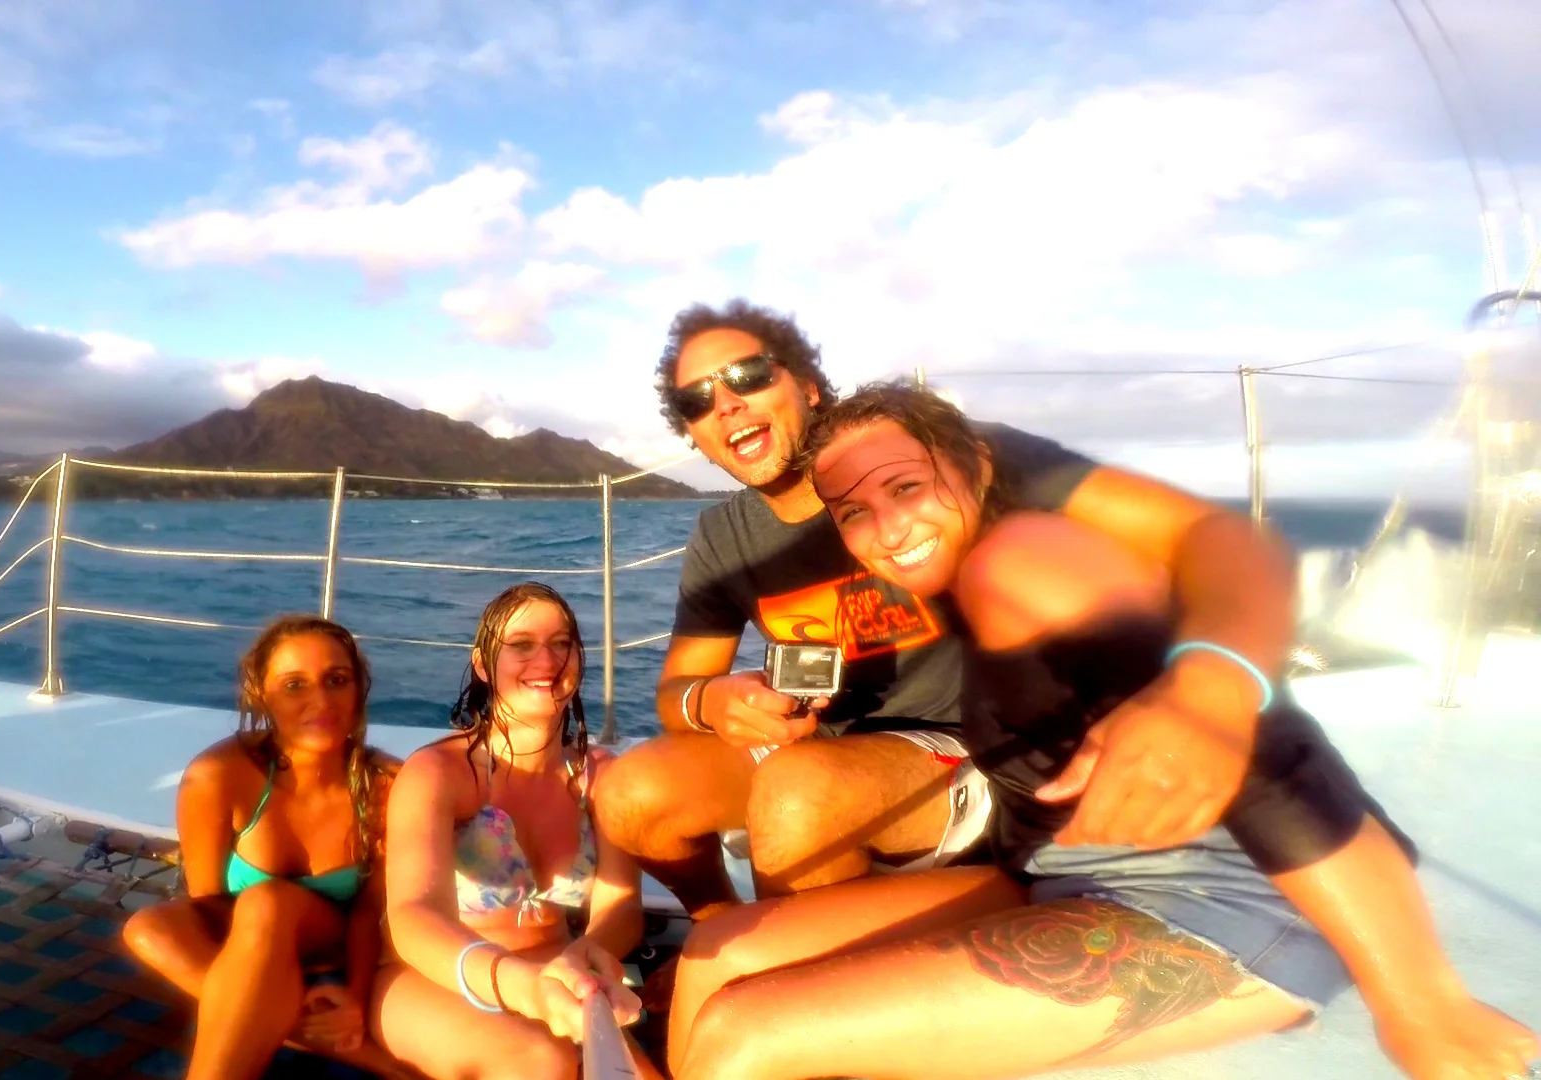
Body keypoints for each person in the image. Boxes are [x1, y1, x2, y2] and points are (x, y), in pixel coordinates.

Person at [666, 380, 1540, 1080]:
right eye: (853, 512)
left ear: (975, 466)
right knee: (714, 955)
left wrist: (1418, 1000)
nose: (887, 529)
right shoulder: (968, 584)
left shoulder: (1026, 563)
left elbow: (1273, 752)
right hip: (1067, 879)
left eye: (906, 488)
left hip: (1231, 902)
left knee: (747, 1033)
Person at [596, 298, 1300, 923]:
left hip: (988, 753)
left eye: (748, 375)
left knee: (798, 791)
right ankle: (725, 933)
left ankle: (825, 985)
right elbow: (677, 691)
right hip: (832, 752)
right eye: (697, 400)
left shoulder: (947, 453)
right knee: (631, 790)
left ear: (807, 385)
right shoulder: (725, 539)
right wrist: (712, 701)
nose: (725, 403)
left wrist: (1213, 686)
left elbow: (1206, 535)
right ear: (693, 434)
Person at [370, 582, 657, 1079]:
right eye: (522, 644)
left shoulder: (602, 777)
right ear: (483, 665)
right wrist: (524, 988)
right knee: (540, 1063)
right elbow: (414, 916)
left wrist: (583, 959)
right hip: (435, 976)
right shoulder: (439, 774)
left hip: (559, 974)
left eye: (562, 643)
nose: (547, 660)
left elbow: (622, 908)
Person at [121, 614, 411, 1080]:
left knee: (268, 901)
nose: (321, 701)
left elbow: (369, 912)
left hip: (336, 943)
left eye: (337, 680)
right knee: (148, 926)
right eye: (295, 685)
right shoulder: (219, 775)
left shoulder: (388, 784)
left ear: (359, 688)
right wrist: (256, 968)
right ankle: (344, 1048)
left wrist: (354, 1000)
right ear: (261, 693)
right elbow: (208, 903)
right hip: (247, 938)